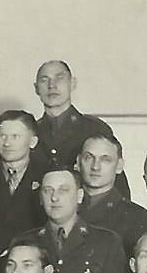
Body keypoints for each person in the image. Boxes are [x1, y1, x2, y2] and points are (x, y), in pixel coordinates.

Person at [10, 168, 128, 273]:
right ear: (40, 197)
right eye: (48, 190)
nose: (54, 198)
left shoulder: (106, 241)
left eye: (63, 190)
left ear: (79, 196)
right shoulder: (25, 241)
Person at [30, 61, 121, 192]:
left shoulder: (94, 129)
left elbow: (116, 183)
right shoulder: (31, 132)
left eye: (59, 78)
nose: (52, 85)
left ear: (72, 83)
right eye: (44, 80)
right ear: (36, 88)